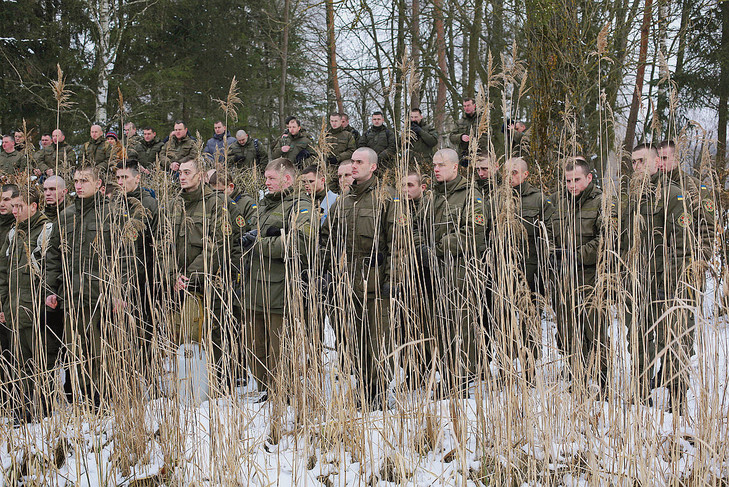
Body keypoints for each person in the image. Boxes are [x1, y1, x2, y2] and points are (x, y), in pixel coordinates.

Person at [622, 143, 706, 413]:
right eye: (633, 162)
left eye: (641, 161)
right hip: (639, 284)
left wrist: (673, 285)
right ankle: (640, 392)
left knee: (676, 342)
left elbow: (684, 248)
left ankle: (677, 400)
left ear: (657, 163)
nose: (636, 167)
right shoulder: (633, 199)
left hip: (668, 285)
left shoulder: (672, 196)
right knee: (638, 340)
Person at [45, 166, 131, 404]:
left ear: (99, 183)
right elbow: (54, 257)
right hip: (72, 295)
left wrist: (119, 292)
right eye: (75, 181)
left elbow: (123, 257)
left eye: (85, 180)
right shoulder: (66, 215)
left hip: (101, 295)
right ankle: (81, 396)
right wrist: (51, 289)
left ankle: (102, 398)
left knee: (100, 350)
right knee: (76, 349)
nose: (79, 185)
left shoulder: (111, 213)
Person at [323, 147, 393, 408]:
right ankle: (363, 387)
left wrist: (392, 280)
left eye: (359, 162)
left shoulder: (387, 198)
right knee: (355, 340)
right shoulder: (344, 201)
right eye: (351, 161)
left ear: (372, 167)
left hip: (375, 282)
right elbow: (326, 239)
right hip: (348, 281)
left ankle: (376, 394)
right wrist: (325, 271)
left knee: (376, 341)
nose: (353, 166)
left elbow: (399, 243)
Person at [242, 158, 315, 400]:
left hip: (280, 291)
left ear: (287, 179)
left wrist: (259, 244)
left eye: (271, 178)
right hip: (255, 288)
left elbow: (300, 243)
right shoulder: (264, 206)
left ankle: (282, 391)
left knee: (278, 347)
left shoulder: (301, 206)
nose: (266, 183)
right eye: (266, 178)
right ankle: (265, 389)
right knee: (255, 346)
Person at [424, 148, 487, 392]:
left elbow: (474, 234)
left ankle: (463, 374)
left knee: (460, 322)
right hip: (436, 270)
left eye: (441, 165)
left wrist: (439, 248)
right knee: (441, 323)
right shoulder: (434, 197)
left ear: (455, 167)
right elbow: (419, 224)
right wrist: (421, 246)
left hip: (461, 270)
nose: (436, 169)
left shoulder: (471, 196)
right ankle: (449, 370)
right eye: (434, 165)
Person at [549, 157, 612, 391]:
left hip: (591, 278)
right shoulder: (557, 202)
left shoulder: (602, 202)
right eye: (567, 181)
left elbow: (605, 240)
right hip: (563, 279)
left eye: (576, 180)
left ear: (588, 178)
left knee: (594, 330)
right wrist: (553, 254)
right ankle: (577, 376)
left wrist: (575, 255)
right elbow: (547, 233)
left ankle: (604, 380)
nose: (571, 185)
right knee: (567, 331)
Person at [0, 186, 57, 421]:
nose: (14, 210)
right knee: (20, 364)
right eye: (12, 206)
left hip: (37, 311)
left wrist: (45, 306)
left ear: (33, 207)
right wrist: (3, 305)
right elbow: (4, 273)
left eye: (19, 206)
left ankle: (44, 413)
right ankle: (22, 412)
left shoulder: (47, 231)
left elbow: (52, 270)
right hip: (15, 310)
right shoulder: (13, 233)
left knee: (43, 362)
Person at [166, 158, 231, 364]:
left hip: (201, 284)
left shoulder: (215, 203)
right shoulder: (173, 203)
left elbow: (217, 243)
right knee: (176, 338)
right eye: (180, 173)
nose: (182, 177)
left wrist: (189, 275)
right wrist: (171, 274)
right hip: (174, 285)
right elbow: (162, 242)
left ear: (201, 175)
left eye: (187, 172)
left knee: (200, 338)